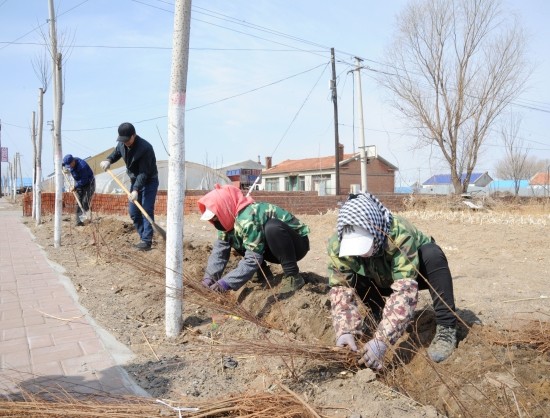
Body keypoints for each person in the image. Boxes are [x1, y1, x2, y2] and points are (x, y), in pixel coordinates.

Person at [327, 192, 457, 370]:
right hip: (378, 280)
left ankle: (446, 327)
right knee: (350, 274)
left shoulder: (398, 234)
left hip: (413, 275)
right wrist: (345, 330)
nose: (360, 253)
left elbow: (405, 292)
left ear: (375, 230)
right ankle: (377, 311)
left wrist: (383, 340)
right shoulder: (338, 245)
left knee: (432, 254)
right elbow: (341, 289)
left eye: (364, 246)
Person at [198, 184, 310, 295]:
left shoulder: (248, 218)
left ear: (224, 209)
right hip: (272, 249)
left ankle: (293, 275)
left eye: (215, 216)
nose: (214, 221)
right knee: (237, 237)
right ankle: (262, 273)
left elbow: (253, 259)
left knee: (272, 228)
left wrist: (225, 284)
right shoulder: (226, 221)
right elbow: (219, 252)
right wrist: (209, 278)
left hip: (295, 246)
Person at [99, 122, 159, 251]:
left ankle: (146, 241)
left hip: (149, 181)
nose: (125, 142)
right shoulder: (122, 143)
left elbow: (143, 173)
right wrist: (108, 160)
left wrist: (136, 189)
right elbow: (116, 153)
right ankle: (144, 236)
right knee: (133, 212)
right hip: (134, 181)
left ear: (134, 135)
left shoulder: (145, 148)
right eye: (122, 140)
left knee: (146, 209)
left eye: (127, 140)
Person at [62, 154, 95, 226]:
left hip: (89, 183)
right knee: (78, 202)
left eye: (70, 165)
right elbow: (63, 164)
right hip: (79, 184)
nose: (69, 167)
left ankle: (88, 219)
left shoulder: (82, 166)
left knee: (85, 201)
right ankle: (79, 221)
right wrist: (60, 165)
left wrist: (75, 186)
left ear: (73, 161)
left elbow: (84, 180)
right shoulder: (69, 162)